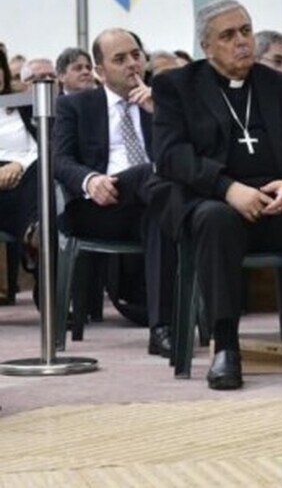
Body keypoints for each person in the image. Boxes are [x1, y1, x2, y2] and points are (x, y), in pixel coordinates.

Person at [152, 0, 282, 390]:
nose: (242, 42)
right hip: (218, 201)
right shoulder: (175, 86)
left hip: (281, 201)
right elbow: (170, 155)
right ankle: (226, 347)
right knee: (215, 220)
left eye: (246, 31)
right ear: (206, 46)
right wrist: (227, 188)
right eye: (228, 35)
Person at [53, 28, 177, 356]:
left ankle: (161, 328)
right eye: (120, 59)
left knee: (160, 209)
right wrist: (90, 179)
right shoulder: (76, 106)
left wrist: (159, 113)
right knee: (155, 178)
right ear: (100, 71)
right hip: (99, 207)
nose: (132, 64)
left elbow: (188, 152)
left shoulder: (162, 103)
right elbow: (59, 160)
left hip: (150, 204)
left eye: (136, 55)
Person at [0, 45, 39, 300]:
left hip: (24, 176)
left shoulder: (23, 105)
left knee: (41, 175)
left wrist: (19, 166)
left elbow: (42, 146)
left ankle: (33, 237)